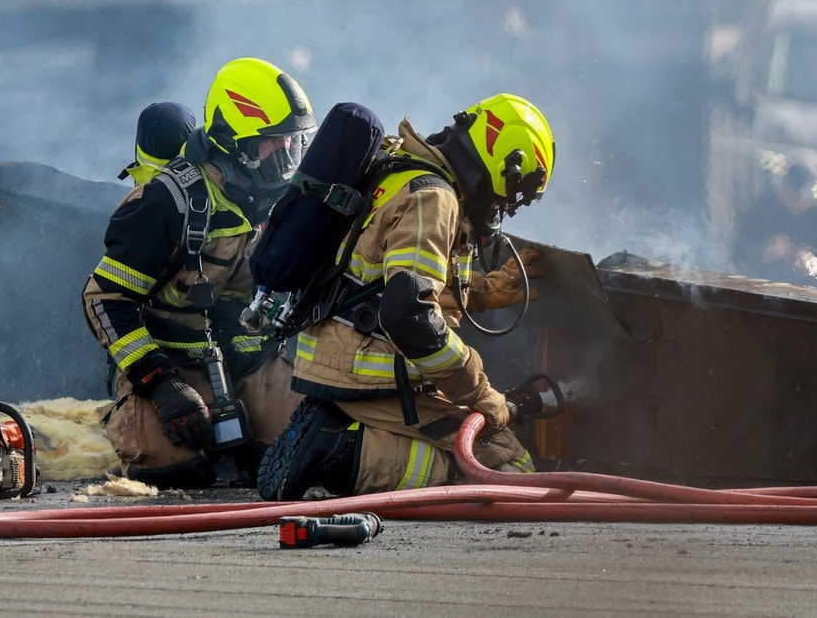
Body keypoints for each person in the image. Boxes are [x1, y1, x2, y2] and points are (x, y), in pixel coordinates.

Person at [257, 93, 555, 500]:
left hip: (334, 357)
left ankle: (342, 430)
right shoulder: (433, 197)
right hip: (370, 372)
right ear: (506, 163)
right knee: (506, 465)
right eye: (511, 195)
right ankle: (338, 451)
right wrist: (478, 390)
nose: (501, 208)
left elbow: (386, 275)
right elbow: (410, 314)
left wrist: (484, 292)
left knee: (479, 448)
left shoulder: (399, 165)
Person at [81, 57, 317, 488]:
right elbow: (104, 299)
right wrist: (159, 383)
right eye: (274, 142)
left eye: (292, 140)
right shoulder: (166, 202)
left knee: (297, 453)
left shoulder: (270, 199)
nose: (287, 153)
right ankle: (130, 413)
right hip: (166, 364)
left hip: (240, 360)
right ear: (235, 143)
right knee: (175, 471)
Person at [731, 149, 817, 287]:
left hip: (811, 294)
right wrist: (764, 253)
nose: (798, 195)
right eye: (794, 183)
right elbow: (736, 257)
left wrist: (816, 264)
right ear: (782, 182)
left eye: (805, 184)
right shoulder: (758, 213)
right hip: (761, 290)